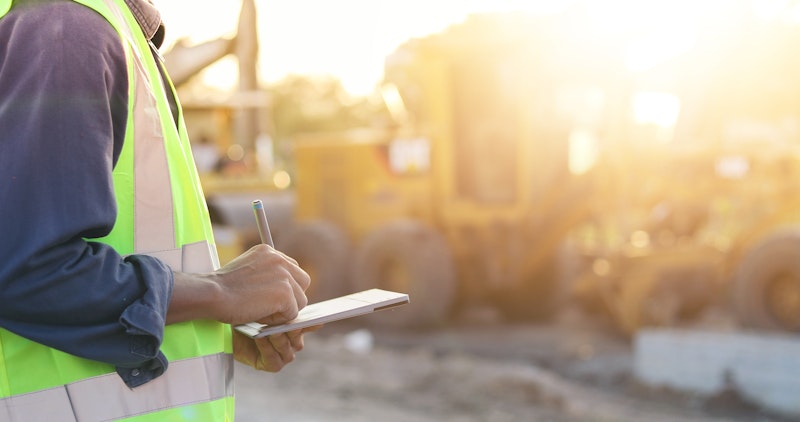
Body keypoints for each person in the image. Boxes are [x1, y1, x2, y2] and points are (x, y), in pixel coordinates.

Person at [0, 0, 316, 420]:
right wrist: (222, 291)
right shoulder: (65, 30)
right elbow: (28, 270)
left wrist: (209, 318)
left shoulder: (102, 31)